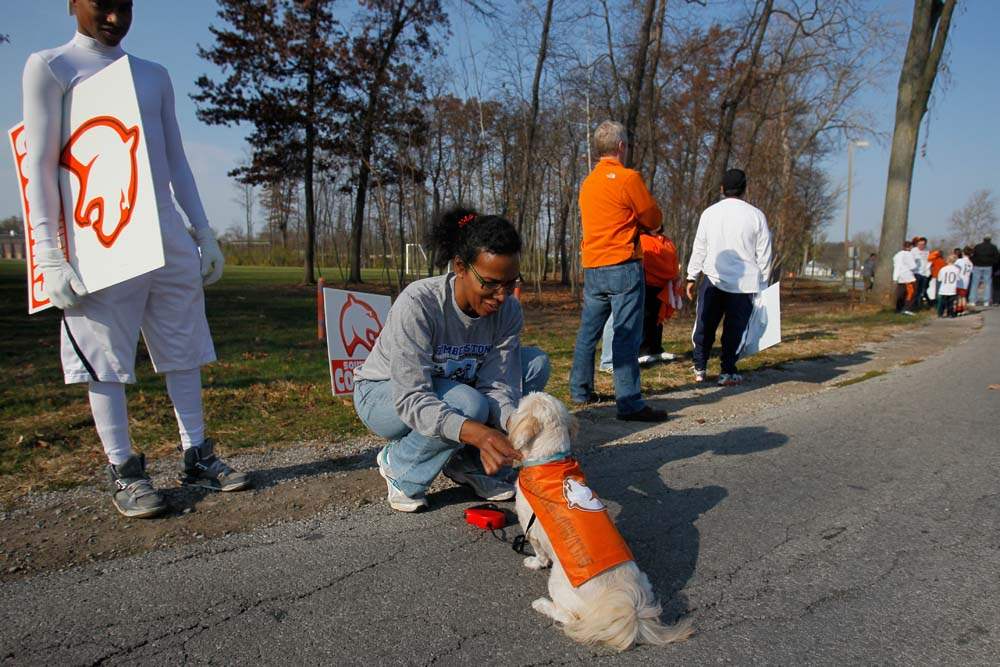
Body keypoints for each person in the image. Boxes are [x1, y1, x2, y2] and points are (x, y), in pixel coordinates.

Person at [21, 0, 247, 518]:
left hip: (163, 229)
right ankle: (123, 467)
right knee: (104, 351)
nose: (114, 18)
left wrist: (203, 231)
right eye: (102, 5)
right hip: (100, 233)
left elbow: (175, 160)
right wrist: (48, 253)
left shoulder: (153, 75)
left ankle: (197, 453)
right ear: (73, 3)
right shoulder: (51, 66)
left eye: (124, 6)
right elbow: (40, 164)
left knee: (182, 343)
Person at [352, 207, 551, 512]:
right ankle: (401, 466)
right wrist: (479, 433)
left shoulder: (508, 310)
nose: (501, 296)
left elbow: (499, 385)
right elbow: (412, 397)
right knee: (469, 404)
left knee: (534, 365)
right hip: (384, 395)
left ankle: (467, 463)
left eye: (510, 283)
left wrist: (516, 426)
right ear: (460, 267)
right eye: (490, 283)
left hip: (452, 387)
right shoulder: (420, 303)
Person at [569, 121, 668, 422]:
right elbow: (653, 218)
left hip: (593, 265)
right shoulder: (628, 178)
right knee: (626, 334)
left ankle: (580, 391)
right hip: (623, 264)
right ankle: (630, 403)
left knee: (588, 332)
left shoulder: (588, 183)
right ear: (621, 146)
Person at [686, 168, 772, 387]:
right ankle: (727, 371)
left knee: (705, 324)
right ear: (745, 189)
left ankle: (699, 368)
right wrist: (763, 284)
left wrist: (691, 276)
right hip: (745, 284)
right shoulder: (756, 215)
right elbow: (764, 254)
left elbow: (700, 247)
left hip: (713, 279)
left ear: (722, 188)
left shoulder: (709, 213)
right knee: (735, 330)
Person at [598, 230, 681, 372]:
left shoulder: (666, 241)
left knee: (656, 318)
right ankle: (611, 359)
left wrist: (672, 274)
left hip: (660, 285)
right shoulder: (638, 237)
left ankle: (653, 348)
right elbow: (648, 260)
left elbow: (672, 261)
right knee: (620, 318)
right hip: (637, 280)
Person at [969, 236, 999, 307]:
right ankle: (986, 301)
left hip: (977, 266)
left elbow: (973, 255)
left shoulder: (978, 246)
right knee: (987, 284)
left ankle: (972, 301)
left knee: (975, 283)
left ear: (983, 239)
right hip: (988, 266)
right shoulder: (993, 247)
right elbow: (997, 257)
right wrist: (992, 263)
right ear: (990, 240)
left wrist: (974, 262)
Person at [892, 241, 918, 315]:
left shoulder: (897, 255)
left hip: (899, 277)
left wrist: (895, 278)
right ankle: (907, 308)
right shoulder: (908, 254)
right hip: (908, 277)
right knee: (911, 293)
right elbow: (913, 266)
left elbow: (896, 266)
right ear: (909, 247)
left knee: (901, 293)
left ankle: (899, 309)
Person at [910, 237, 930, 309]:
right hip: (916, 273)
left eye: (923, 244)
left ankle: (918, 305)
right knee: (915, 290)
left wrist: (928, 272)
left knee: (921, 290)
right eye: (919, 244)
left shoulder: (927, 251)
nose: (921, 246)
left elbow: (928, 262)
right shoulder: (913, 251)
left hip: (924, 274)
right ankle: (913, 305)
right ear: (917, 244)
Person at [954, 247, 973, 315]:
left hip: (959, 280)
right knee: (963, 296)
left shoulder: (959, 260)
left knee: (959, 296)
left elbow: (954, 268)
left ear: (963, 253)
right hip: (966, 281)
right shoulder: (970, 263)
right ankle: (964, 310)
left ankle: (959, 310)